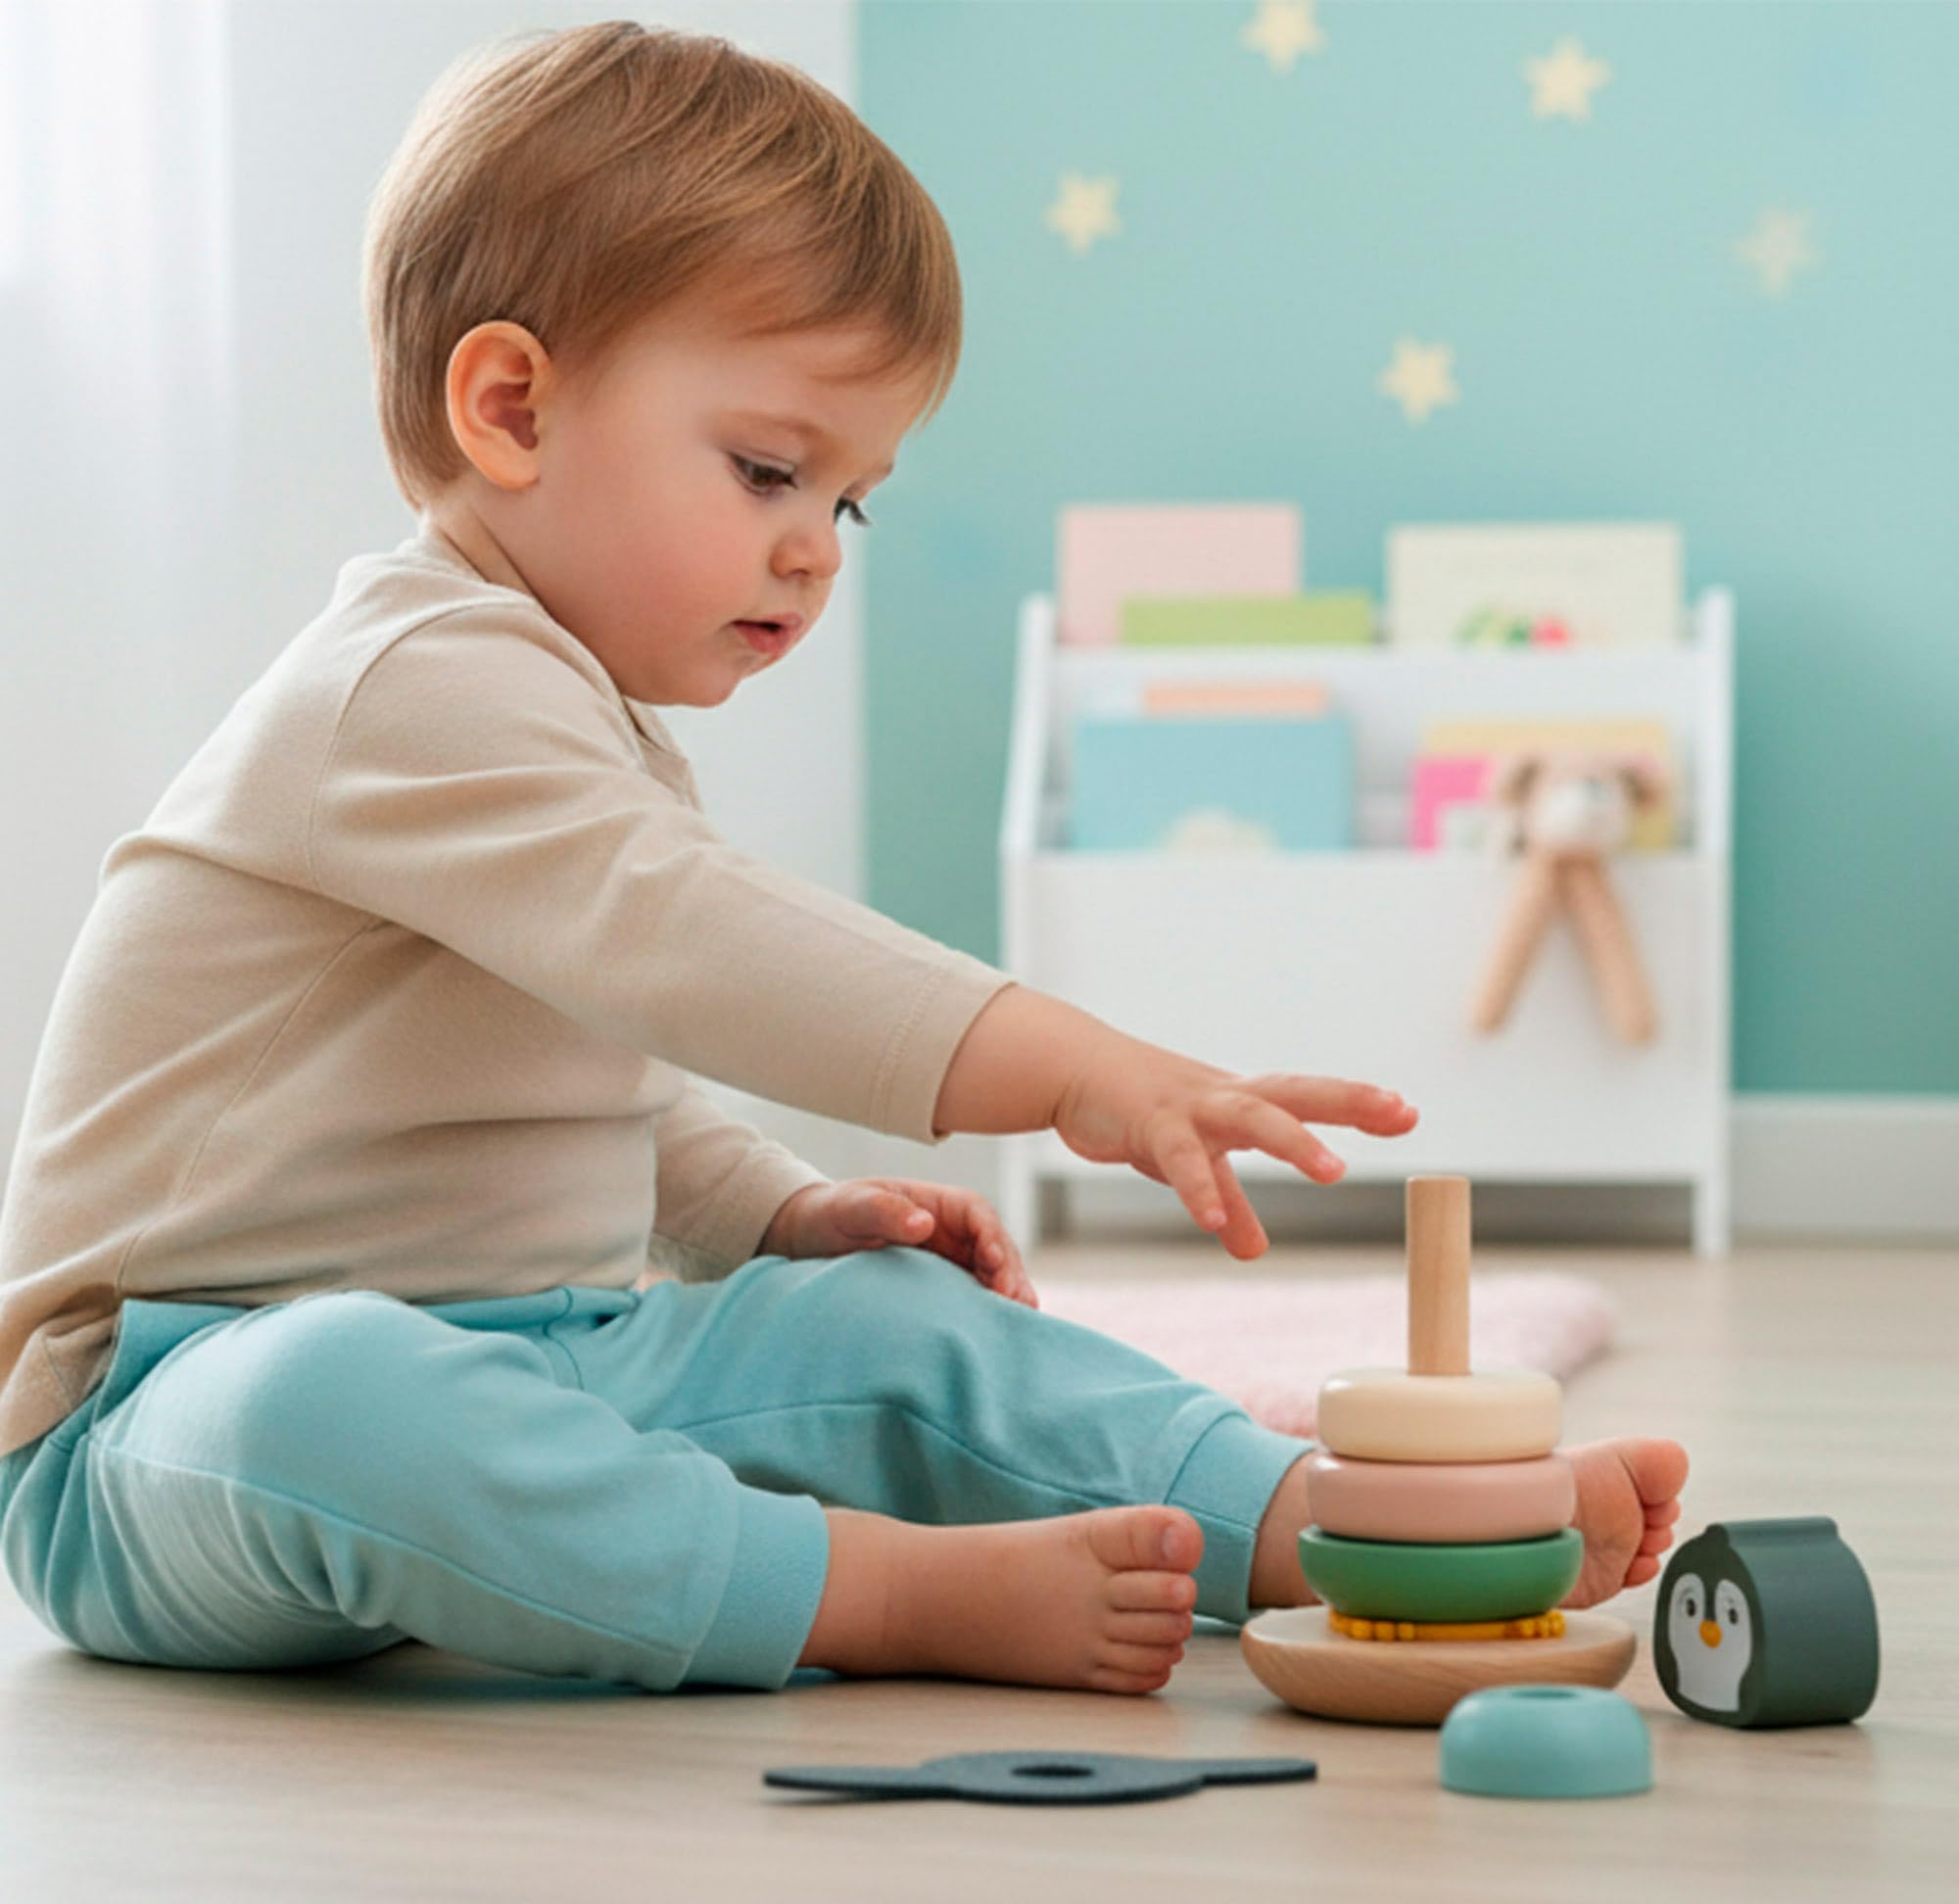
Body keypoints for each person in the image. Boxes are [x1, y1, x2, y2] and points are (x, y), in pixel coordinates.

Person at [0, 23, 1686, 1697]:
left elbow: (587, 1078)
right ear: (510, 405)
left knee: (887, 1325)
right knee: (341, 1391)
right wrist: (1063, 1063)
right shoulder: (407, 693)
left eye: (851, 503)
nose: (813, 553)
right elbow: (694, 946)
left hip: (546, 1359)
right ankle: (871, 1595)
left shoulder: (576, 717)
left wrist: (781, 1216)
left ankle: (1304, 1522)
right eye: (767, 471)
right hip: (164, 1423)